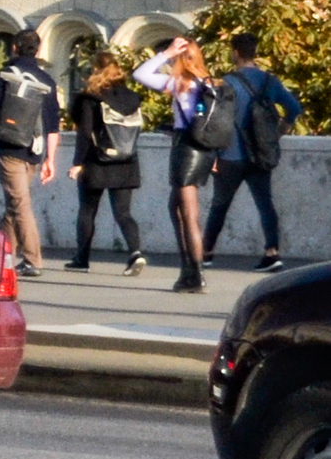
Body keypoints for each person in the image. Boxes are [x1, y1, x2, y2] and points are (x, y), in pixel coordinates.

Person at [203, 32, 300, 271]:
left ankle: (206, 252)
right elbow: (294, 108)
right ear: (254, 53)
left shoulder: (226, 82)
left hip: (229, 154)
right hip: (260, 154)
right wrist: (279, 132)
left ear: (235, 52)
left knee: (220, 205)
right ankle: (272, 252)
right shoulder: (269, 81)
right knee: (265, 203)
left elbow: (213, 119)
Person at [134, 35, 215, 293]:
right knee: (177, 207)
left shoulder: (179, 82)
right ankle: (188, 270)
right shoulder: (211, 83)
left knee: (188, 214)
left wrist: (165, 54)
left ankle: (195, 274)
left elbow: (141, 74)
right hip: (205, 149)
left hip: (185, 148)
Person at [0, 29, 59, 280]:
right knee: (14, 203)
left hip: (9, 147)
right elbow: (52, 124)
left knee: (19, 203)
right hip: (34, 149)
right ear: (37, 50)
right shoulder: (46, 80)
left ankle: (32, 259)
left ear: (15, 47)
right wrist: (51, 159)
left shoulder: (6, 75)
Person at [66, 49, 149, 276]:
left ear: (96, 70)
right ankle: (136, 252)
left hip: (96, 160)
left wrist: (77, 162)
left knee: (88, 210)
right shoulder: (132, 98)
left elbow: (84, 133)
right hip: (126, 160)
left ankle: (82, 259)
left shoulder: (90, 98)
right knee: (123, 212)